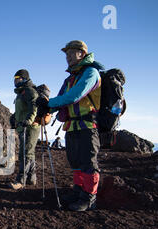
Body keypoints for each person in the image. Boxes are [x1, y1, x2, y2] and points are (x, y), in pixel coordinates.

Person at [47, 40, 104, 211]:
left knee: (88, 163)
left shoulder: (91, 73)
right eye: (67, 54)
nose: (68, 57)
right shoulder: (70, 78)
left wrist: (48, 103)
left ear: (82, 54)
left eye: (72, 53)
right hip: (71, 126)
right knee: (76, 162)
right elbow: (60, 99)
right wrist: (47, 105)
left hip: (87, 125)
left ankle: (89, 198)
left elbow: (73, 96)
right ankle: (78, 191)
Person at [10, 69, 41, 190]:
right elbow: (21, 110)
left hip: (30, 127)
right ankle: (31, 178)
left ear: (24, 78)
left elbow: (34, 107)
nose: (15, 80)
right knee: (29, 153)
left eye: (17, 78)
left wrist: (28, 121)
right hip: (23, 126)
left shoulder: (29, 91)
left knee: (25, 153)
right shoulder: (21, 92)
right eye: (14, 78)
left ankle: (20, 180)